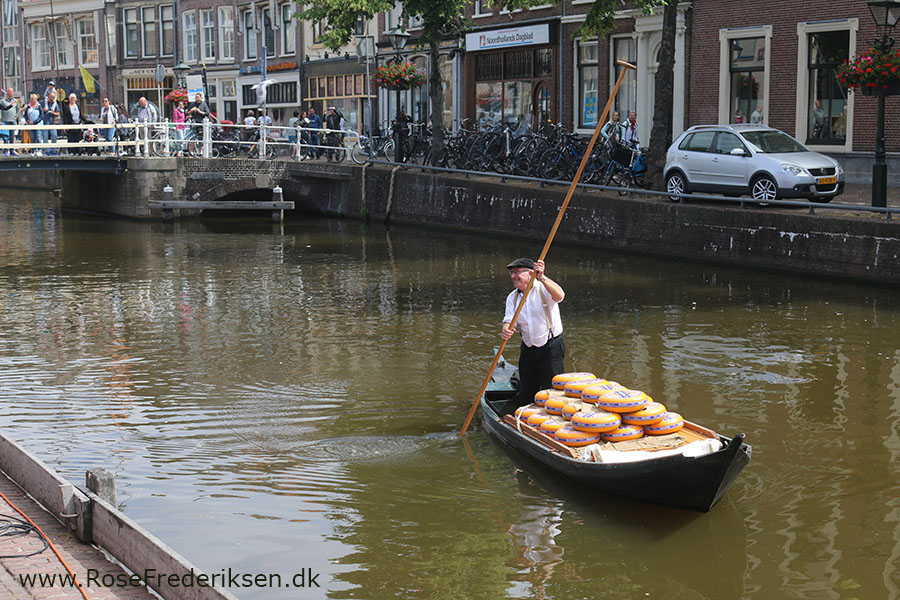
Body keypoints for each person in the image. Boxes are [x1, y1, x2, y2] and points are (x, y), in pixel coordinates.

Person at [500, 258, 566, 408]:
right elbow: (509, 319)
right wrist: (506, 329)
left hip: (551, 347)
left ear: (530, 273)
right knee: (527, 390)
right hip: (528, 347)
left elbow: (560, 296)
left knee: (552, 390)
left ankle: (550, 422)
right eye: (512, 273)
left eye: (517, 272)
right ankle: (525, 421)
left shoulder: (544, 289)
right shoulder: (513, 297)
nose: (512, 276)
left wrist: (542, 277)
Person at [41, 90, 60, 155]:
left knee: (54, 136)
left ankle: (53, 150)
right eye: (51, 97)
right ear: (48, 96)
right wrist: (43, 110)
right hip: (45, 122)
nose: (52, 99)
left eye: (53, 97)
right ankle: (47, 151)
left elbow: (58, 113)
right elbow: (39, 110)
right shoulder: (43, 103)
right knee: (45, 137)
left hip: (52, 122)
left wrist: (53, 113)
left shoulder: (55, 104)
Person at [0, 88, 18, 155]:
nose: (10, 93)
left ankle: (12, 150)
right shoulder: (2, 101)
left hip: (12, 120)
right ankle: (6, 150)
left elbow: (17, 109)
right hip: (5, 120)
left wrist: (16, 116)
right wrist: (0, 118)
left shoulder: (15, 101)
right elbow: (2, 110)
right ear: (7, 93)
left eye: (11, 92)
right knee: (5, 136)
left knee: (12, 136)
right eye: (9, 92)